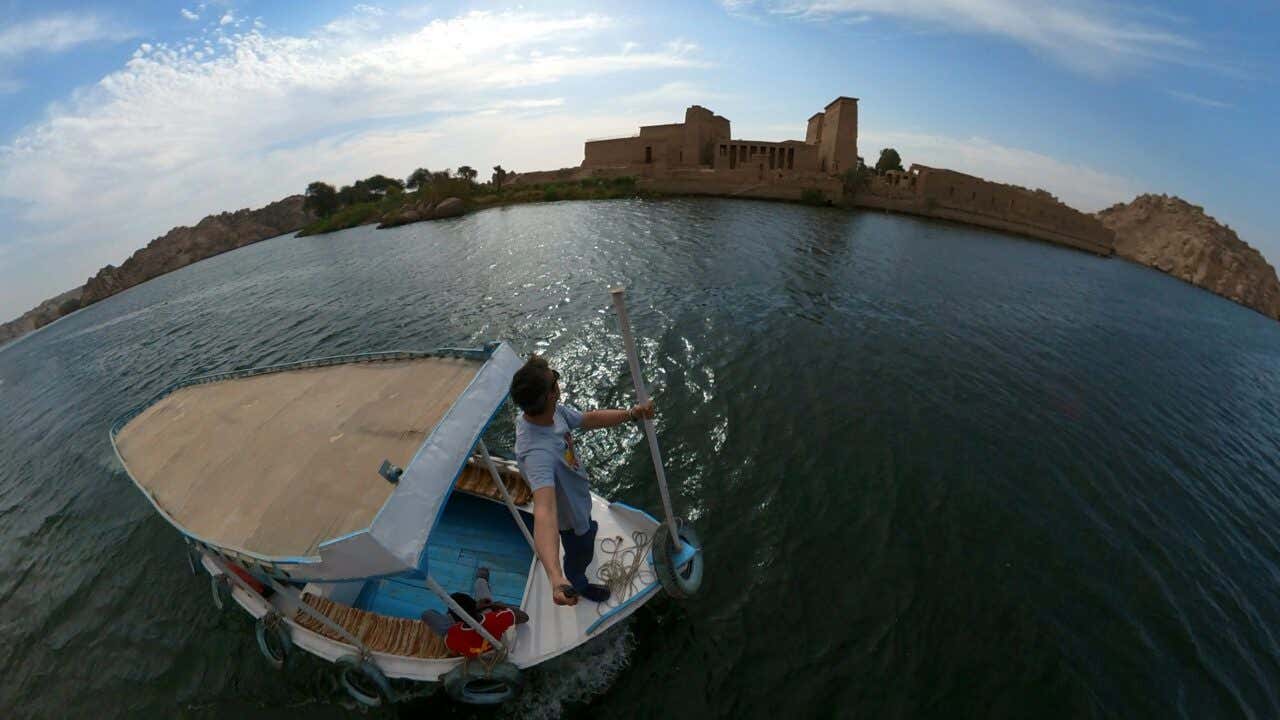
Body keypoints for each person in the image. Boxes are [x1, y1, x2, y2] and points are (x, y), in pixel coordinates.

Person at [509, 355, 655, 606]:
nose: (557, 380)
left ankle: (585, 538)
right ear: (551, 394)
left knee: (587, 531)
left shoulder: (552, 414)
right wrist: (556, 578)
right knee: (580, 552)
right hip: (571, 519)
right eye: (554, 378)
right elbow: (544, 510)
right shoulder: (536, 454)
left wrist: (632, 414)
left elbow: (590, 419)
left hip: (579, 503)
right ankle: (579, 582)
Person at [421, 568, 530, 657]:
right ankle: (481, 579)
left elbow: (453, 651)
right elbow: (524, 617)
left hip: (463, 627)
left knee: (427, 614)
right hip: (484, 621)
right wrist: (494, 605)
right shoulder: (497, 619)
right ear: (475, 606)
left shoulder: (452, 635)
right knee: (480, 584)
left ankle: (461, 612)